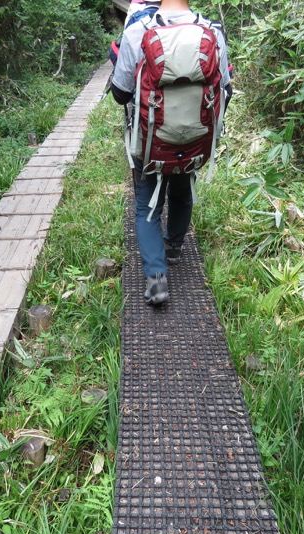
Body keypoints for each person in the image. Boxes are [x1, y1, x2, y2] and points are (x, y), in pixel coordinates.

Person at [110, 0, 232, 305]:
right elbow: (225, 89)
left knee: (146, 207)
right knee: (181, 190)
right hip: (194, 137)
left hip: (151, 140)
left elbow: (120, 93)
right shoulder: (212, 31)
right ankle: (175, 246)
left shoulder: (139, 30)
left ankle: (156, 279)